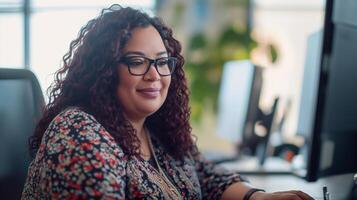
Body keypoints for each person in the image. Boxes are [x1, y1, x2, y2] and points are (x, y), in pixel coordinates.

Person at [22, 5, 314, 200]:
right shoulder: (78, 131)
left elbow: (204, 173)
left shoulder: (154, 130)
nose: (154, 75)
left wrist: (257, 197)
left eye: (162, 63)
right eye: (137, 62)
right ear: (105, 70)